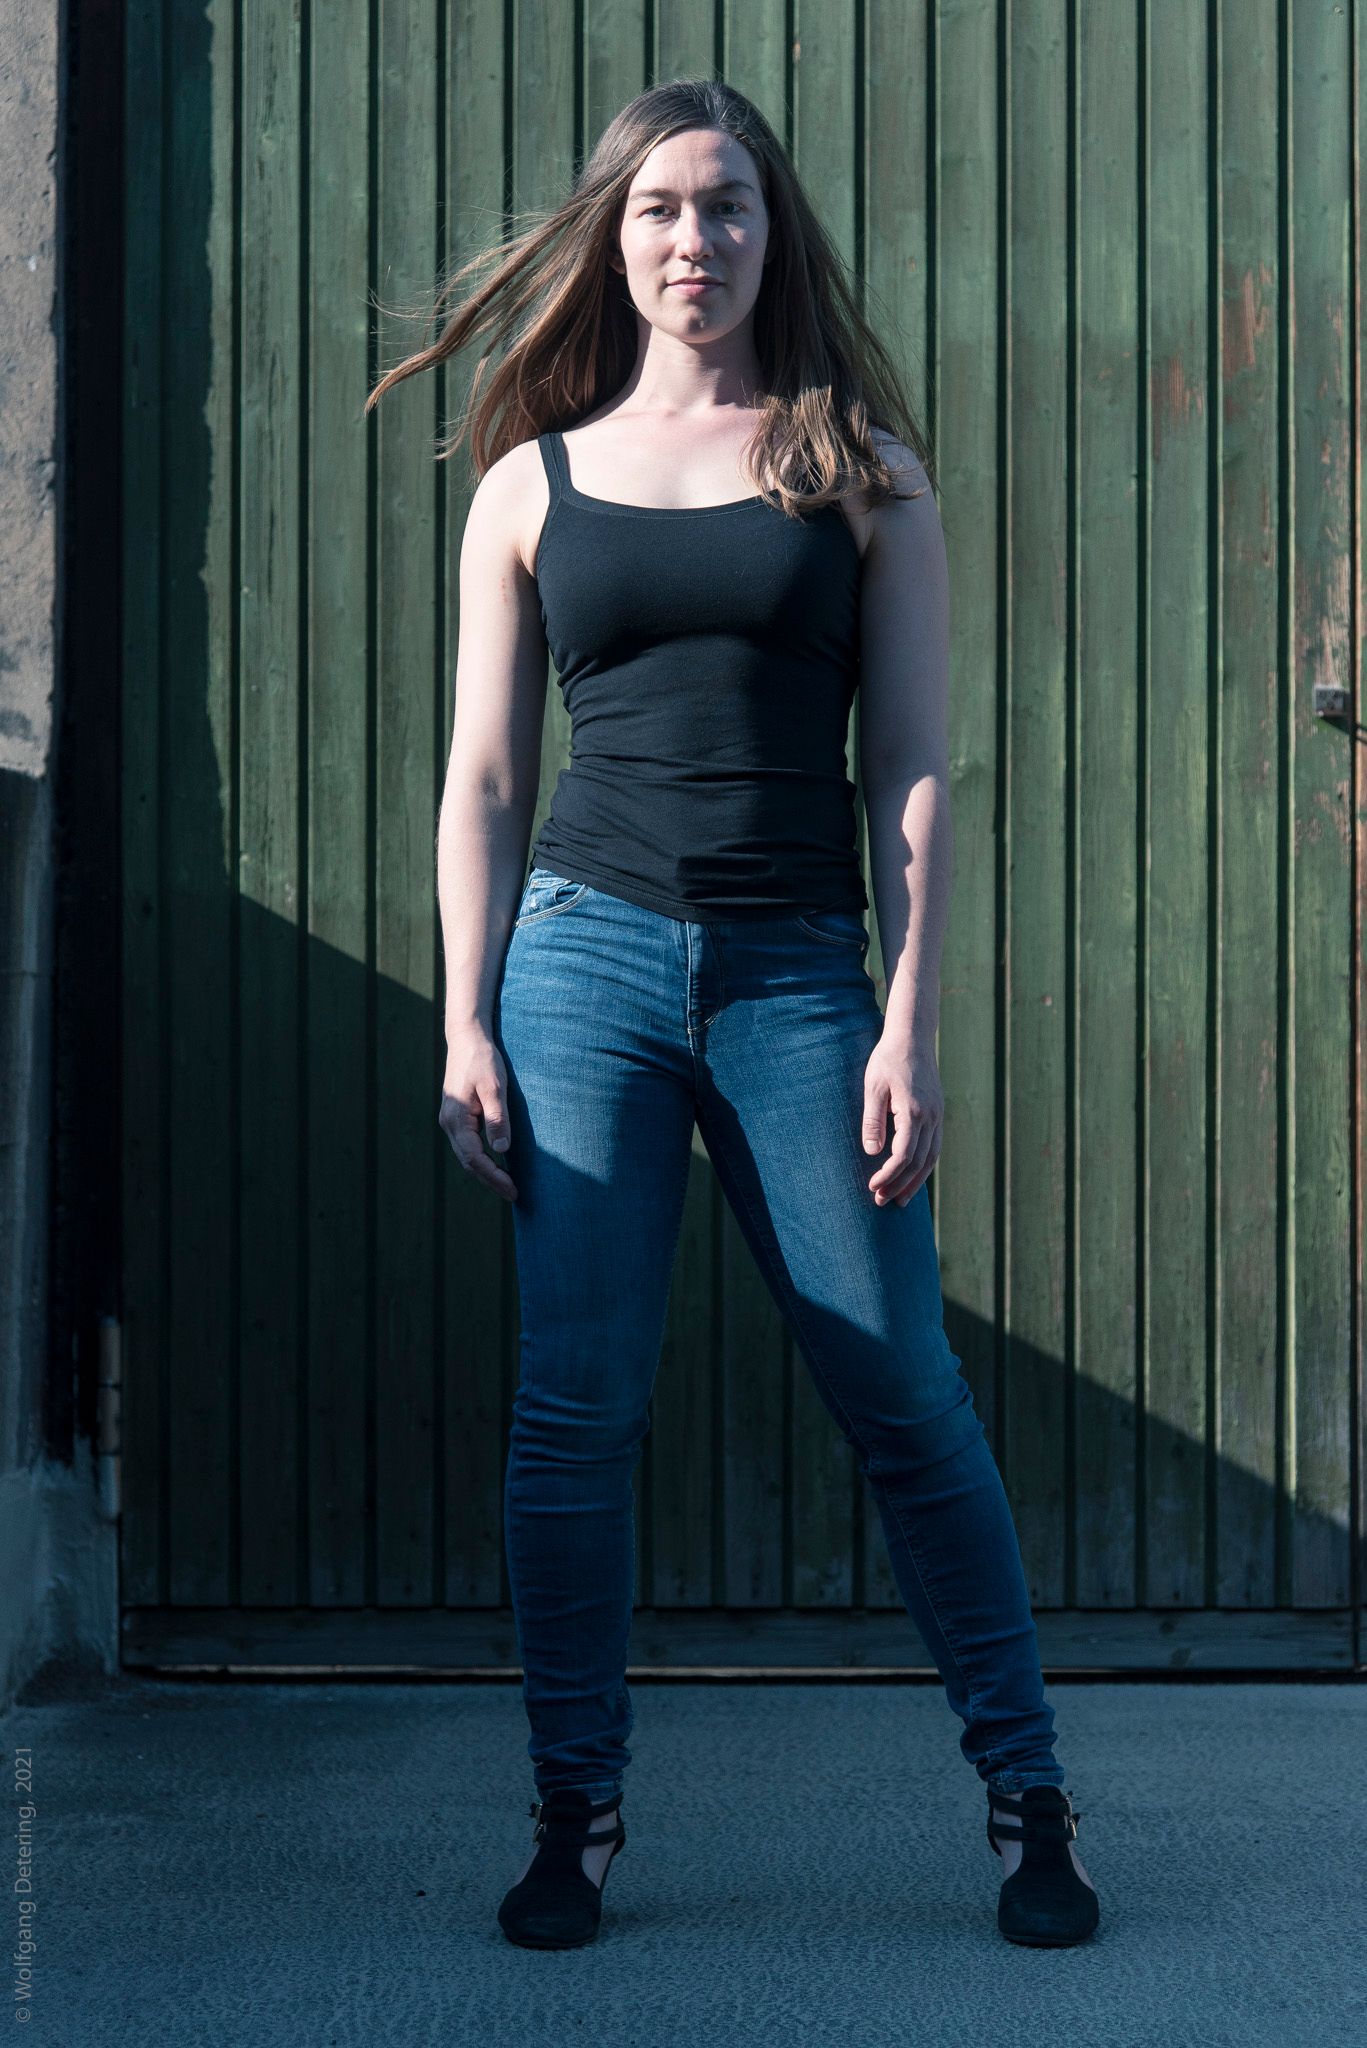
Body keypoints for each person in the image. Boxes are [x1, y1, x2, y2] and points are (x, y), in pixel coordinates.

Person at [367, 77, 1100, 1955]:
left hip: (795, 977)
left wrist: (907, 1022)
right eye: (661, 209)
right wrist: (464, 1019)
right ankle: (576, 1813)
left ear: (776, 234)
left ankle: (1030, 1799)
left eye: (728, 206)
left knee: (902, 1389)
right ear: (613, 239)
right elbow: (482, 781)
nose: (694, 239)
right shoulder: (530, 487)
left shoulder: (859, 472)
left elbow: (912, 767)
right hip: (582, 969)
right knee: (573, 1413)